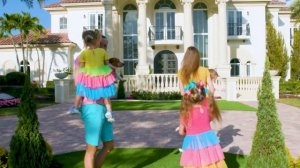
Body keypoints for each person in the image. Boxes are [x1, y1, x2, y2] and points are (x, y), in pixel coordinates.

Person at [69, 31, 115, 122]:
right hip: (91, 104)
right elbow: (78, 81)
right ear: (97, 42)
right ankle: (109, 111)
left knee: (106, 135)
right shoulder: (98, 53)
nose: (105, 48)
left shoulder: (85, 54)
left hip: (100, 104)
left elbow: (81, 72)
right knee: (94, 134)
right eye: (103, 44)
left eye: (106, 45)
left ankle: (75, 107)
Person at [178, 81, 226, 168]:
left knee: (194, 163)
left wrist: (186, 131)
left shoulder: (185, 113)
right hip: (208, 140)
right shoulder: (207, 109)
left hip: (192, 142)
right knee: (211, 162)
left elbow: (181, 132)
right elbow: (208, 120)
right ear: (202, 97)